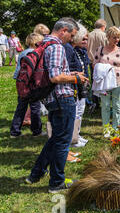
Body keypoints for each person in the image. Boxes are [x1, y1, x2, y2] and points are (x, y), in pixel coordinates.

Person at [25, 17, 89, 193]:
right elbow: (55, 77)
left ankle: (35, 174)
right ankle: (56, 182)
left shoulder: (44, 44)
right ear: (63, 31)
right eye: (72, 35)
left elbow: (54, 73)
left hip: (52, 98)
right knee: (62, 142)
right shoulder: (57, 47)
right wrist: (76, 78)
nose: (72, 39)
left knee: (55, 139)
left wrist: (71, 73)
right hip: (63, 99)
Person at [10, 33, 45, 138]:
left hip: (22, 83)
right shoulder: (35, 53)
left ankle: (15, 131)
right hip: (32, 84)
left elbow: (18, 69)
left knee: (21, 107)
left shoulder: (23, 52)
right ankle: (36, 131)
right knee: (35, 107)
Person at [70, 22, 91, 148]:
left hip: (82, 84)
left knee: (80, 111)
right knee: (76, 112)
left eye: (86, 39)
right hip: (75, 85)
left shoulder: (81, 51)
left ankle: (76, 134)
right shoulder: (71, 50)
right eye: (83, 38)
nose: (85, 41)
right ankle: (73, 137)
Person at [87, 19, 108, 108]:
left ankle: (95, 102)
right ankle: (104, 101)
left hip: (91, 62)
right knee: (104, 82)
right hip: (102, 61)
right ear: (103, 27)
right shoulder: (104, 35)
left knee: (94, 81)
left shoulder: (88, 35)